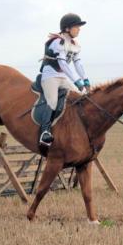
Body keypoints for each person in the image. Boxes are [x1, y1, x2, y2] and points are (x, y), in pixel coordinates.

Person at [39, 13, 91, 146]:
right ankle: (45, 132)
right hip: (50, 76)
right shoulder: (57, 42)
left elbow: (77, 63)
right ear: (67, 28)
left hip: (62, 78)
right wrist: (77, 81)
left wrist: (85, 80)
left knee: (77, 98)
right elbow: (62, 63)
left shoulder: (74, 44)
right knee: (53, 101)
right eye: (77, 26)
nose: (79, 29)